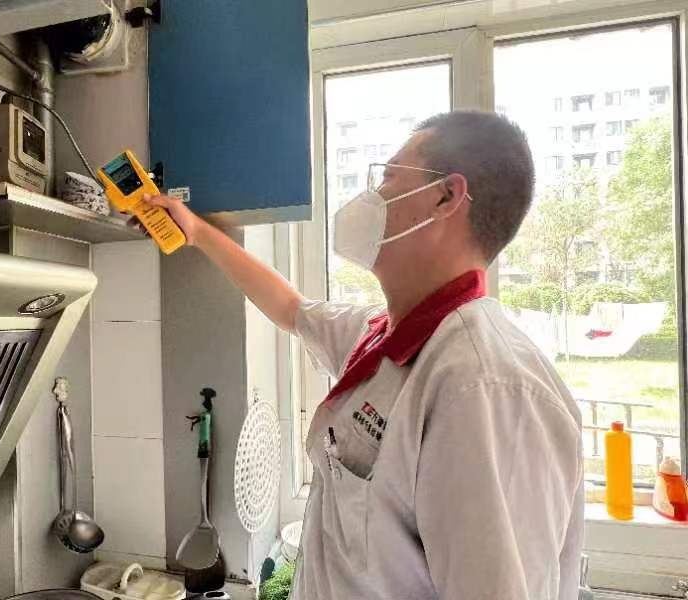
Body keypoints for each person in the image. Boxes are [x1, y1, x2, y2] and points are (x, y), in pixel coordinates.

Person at [141, 110, 583, 600]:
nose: (372, 196)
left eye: (389, 177)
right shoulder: (383, 336)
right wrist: (198, 233)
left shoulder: (484, 387)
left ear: (446, 197)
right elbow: (290, 308)